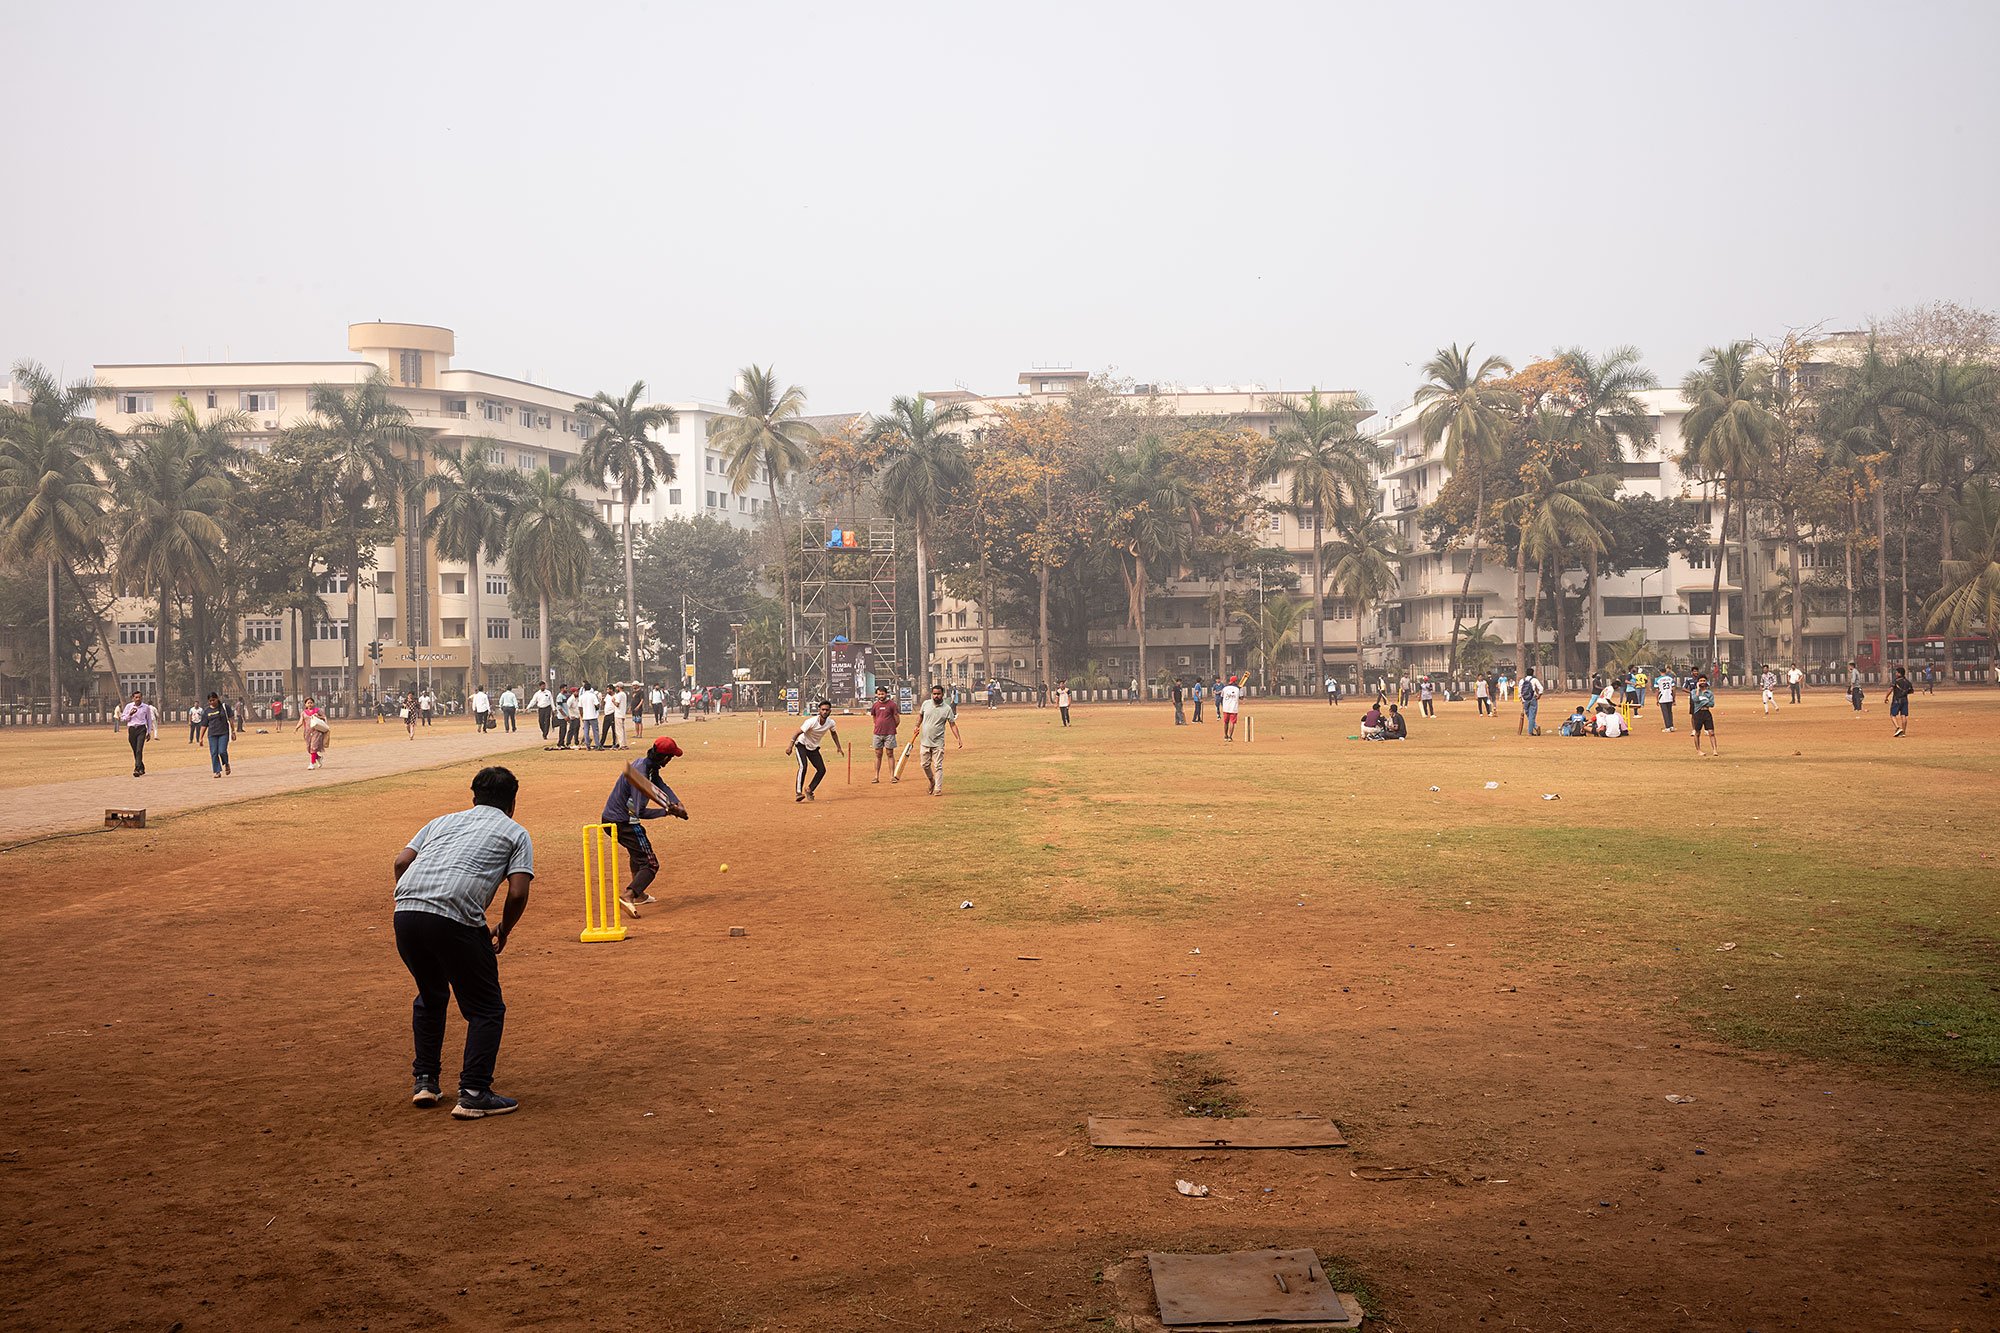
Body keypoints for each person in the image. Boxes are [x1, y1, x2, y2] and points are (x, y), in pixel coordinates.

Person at [391, 765, 534, 1119]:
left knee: (431, 995)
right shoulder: (515, 833)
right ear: (512, 803)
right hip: (455, 918)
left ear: (474, 798)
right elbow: (518, 892)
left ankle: (425, 1081)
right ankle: (473, 1092)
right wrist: (505, 928)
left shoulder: (440, 822)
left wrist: (416, 897)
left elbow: (402, 861)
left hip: (406, 913)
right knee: (486, 1008)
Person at [600, 735, 688, 915]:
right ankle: (629, 895)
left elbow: (659, 783)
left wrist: (676, 802)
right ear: (665, 757)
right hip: (623, 822)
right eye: (671, 757)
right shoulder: (640, 775)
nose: (670, 760)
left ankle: (639, 895)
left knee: (637, 854)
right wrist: (668, 812)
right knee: (650, 864)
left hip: (612, 818)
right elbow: (639, 812)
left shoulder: (647, 765)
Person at [787, 700, 843, 802]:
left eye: (827, 710)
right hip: (802, 745)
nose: (825, 712)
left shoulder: (831, 723)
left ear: (830, 711)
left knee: (821, 770)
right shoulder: (811, 721)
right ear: (819, 710)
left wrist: (838, 747)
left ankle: (809, 789)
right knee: (803, 766)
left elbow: (834, 733)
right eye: (823, 710)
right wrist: (790, 746)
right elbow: (797, 732)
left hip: (813, 748)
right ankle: (798, 793)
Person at [915, 683, 962, 796]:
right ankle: (932, 780)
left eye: (938, 694)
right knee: (924, 765)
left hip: (938, 743)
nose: (936, 696)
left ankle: (938, 788)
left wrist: (958, 738)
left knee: (938, 765)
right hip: (925, 741)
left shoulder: (947, 709)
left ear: (943, 694)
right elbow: (920, 716)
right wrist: (916, 726)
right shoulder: (926, 704)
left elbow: (952, 724)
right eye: (934, 694)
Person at [117, 690, 158, 776]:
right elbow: (123, 719)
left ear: (142, 698)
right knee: (135, 750)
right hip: (132, 729)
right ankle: (141, 768)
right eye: (136, 697)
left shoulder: (146, 707)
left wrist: (149, 732)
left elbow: (149, 720)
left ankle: (137, 769)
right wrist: (130, 714)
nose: (138, 699)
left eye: (139, 697)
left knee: (139, 750)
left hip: (141, 729)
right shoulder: (129, 706)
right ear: (133, 698)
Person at [868, 683, 901, 783]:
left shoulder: (892, 705)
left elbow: (897, 719)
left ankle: (892, 776)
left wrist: (892, 727)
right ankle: (876, 776)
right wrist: (878, 725)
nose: (881, 696)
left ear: (886, 694)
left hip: (889, 733)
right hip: (877, 733)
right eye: (879, 694)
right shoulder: (875, 705)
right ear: (876, 695)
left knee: (890, 753)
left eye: (882, 694)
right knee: (878, 754)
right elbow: (874, 717)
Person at [200, 692, 234, 777]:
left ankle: (226, 763)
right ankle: (217, 771)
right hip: (212, 734)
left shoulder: (224, 707)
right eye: (210, 701)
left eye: (213, 700)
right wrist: (201, 738)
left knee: (222, 751)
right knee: (214, 753)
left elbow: (231, 720)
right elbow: (204, 725)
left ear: (217, 698)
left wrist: (233, 731)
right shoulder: (207, 711)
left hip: (223, 733)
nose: (212, 702)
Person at [294, 695, 330, 769]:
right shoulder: (303, 713)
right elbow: (301, 721)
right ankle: (318, 758)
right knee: (309, 749)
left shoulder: (317, 710)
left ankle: (312, 764)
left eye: (311, 703)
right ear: (305, 704)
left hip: (316, 732)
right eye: (308, 703)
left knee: (313, 747)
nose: (310, 704)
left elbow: (324, 718)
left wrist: (318, 716)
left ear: (313, 703)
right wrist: (296, 728)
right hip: (307, 732)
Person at [1690, 674, 1718, 756]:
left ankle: (1715, 750)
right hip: (1698, 713)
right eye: (1701, 681)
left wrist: (1702, 701)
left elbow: (1711, 704)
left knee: (1711, 732)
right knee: (1697, 732)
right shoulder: (1694, 692)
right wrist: (1698, 690)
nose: (1702, 682)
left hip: (1706, 713)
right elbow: (1695, 699)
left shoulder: (1709, 693)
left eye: (1704, 681)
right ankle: (1698, 750)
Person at [1885, 665, 1913, 737]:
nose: (1895, 674)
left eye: (1896, 672)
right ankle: (1903, 732)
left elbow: (1890, 689)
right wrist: (1904, 693)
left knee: (1892, 715)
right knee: (1903, 715)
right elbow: (1911, 691)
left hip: (1897, 700)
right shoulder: (1907, 682)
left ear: (1899, 673)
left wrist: (1886, 697)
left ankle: (1898, 728)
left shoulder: (1896, 681)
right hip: (1905, 700)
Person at [1518, 667, 1543, 737]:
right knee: (1532, 716)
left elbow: (1520, 690)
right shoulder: (1534, 680)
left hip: (1525, 700)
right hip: (1533, 699)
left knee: (1529, 715)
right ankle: (1531, 731)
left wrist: (1521, 698)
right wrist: (1539, 696)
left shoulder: (1522, 680)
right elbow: (1541, 688)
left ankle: (1535, 727)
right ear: (1532, 673)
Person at [1219, 675, 1242, 741]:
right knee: (1232, 722)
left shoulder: (1225, 688)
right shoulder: (1238, 689)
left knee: (1226, 722)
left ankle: (1225, 736)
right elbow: (1241, 697)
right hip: (1233, 708)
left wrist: (1222, 705)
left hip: (1226, 708)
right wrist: (1240, 689)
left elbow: (1221, 697)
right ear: (1235, 681)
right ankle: (1230, 737)